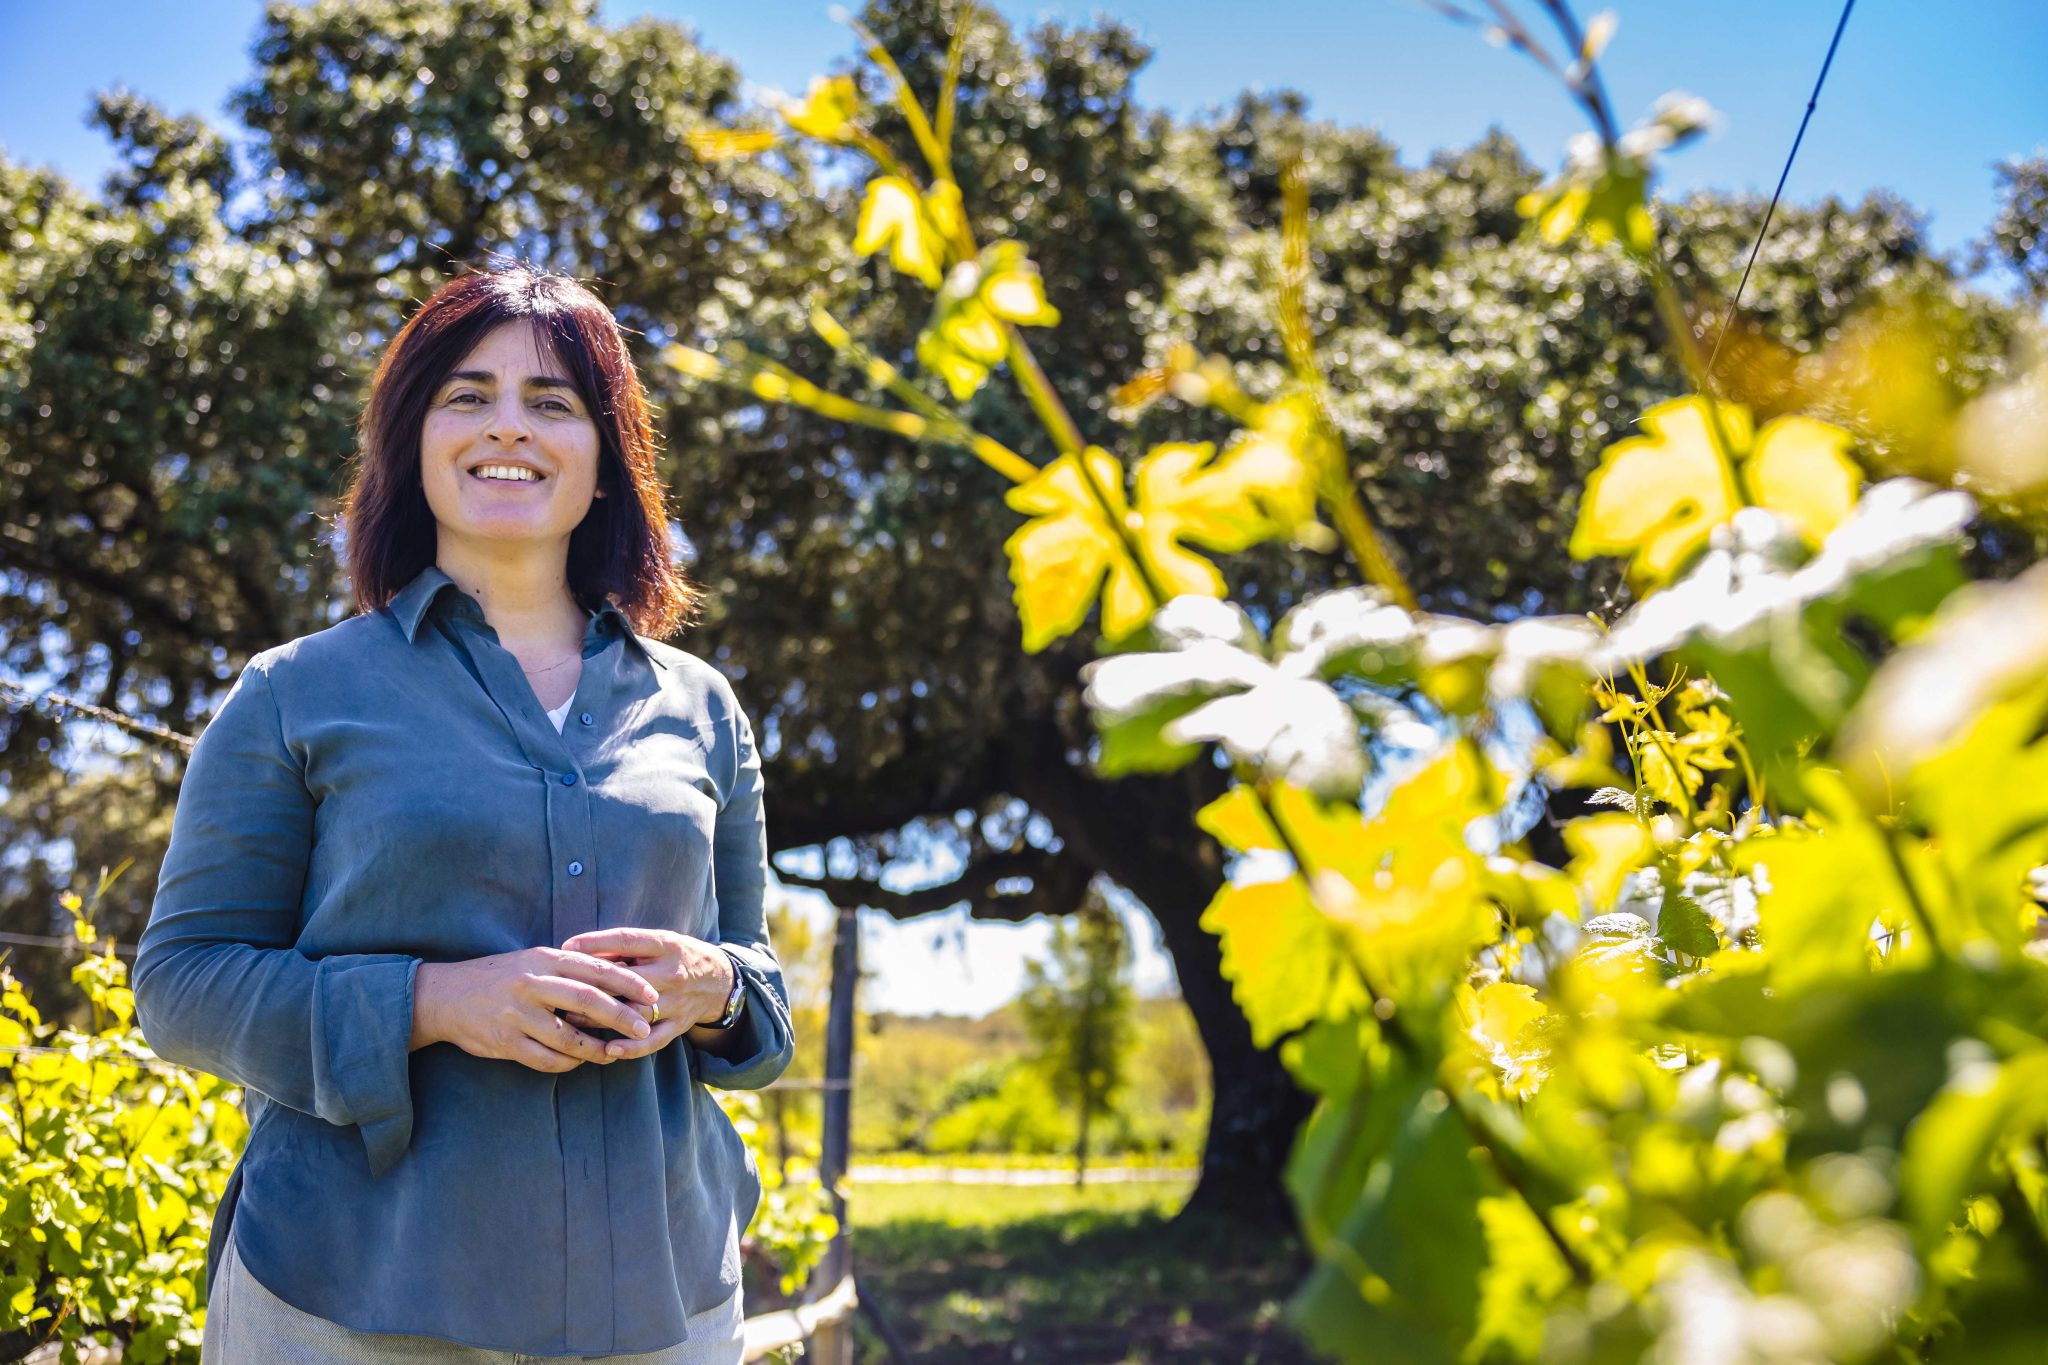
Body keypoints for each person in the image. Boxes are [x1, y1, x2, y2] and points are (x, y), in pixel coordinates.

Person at [133, 265, 794, 1363]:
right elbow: (182, 987)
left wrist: (714, 987)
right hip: (351, 1290)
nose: (508, 429)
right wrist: (434, 1003)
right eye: (466, 395)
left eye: (552, 403)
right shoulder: (295, 692)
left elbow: (759, 994)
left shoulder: (702, 708)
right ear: (412, 442)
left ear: (604, 463)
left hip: (659, 1300)